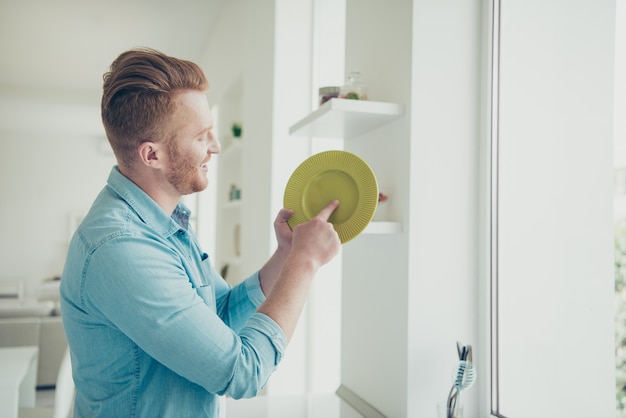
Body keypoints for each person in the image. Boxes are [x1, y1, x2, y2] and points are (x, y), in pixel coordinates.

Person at [60, 47, 341, 417]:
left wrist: (286, 255)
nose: (216, 147)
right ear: (152, 155)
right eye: (201, 136)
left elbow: (219, 314)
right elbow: (242, 373)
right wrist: (303, 263)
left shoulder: (164, 221)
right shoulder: (121, 248)